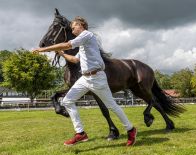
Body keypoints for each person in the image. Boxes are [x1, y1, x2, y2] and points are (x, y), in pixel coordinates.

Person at [33, 16, 137, 146]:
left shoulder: (87, 35)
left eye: (73, 27)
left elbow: (68, 44)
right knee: (67, 101)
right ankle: (80, 133)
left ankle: (131, 129)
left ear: (81, 25)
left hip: (97, 77)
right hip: (85, 78)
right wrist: (62, 54)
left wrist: (43, 49)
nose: (72, 29)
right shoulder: (83, 45)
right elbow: (75, 60)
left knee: (112, 106)